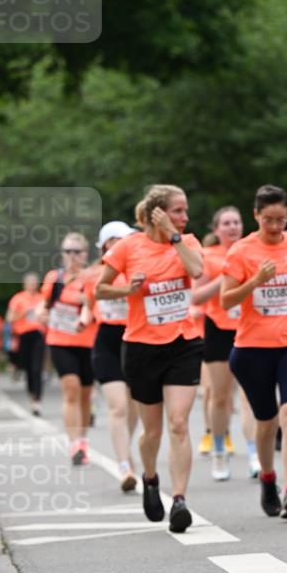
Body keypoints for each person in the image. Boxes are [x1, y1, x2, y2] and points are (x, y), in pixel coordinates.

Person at [96, 185, 204, 532]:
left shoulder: (186, 241)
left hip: (183, 342)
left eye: (185, 212)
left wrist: (175, 236)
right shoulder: (129, 247)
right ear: (157, 213)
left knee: (178, 423)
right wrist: (129, 289)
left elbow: (198, 271)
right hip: (142, 346)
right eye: (178, 211)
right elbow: (101, 288)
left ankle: (181, 500)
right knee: (152, 431)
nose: (185, 218)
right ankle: (151, 477)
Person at [221, 184, 287, 519]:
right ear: (256, 216)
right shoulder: (241, 251)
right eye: (268, 220)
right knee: (266, 421)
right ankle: (268, 477)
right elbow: (226, 300)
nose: (275, 227)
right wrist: (255, 281)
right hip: (252, 348)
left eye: (281, 219)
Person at [191, 207, 259, 481]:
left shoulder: (251, 251)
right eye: (226, 223)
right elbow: (196, 297)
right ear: (216, 229)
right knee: (220, 396)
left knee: (250, 396)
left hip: (251, 327)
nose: (232, 227)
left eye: (236, 222)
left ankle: (255, 452)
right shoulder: (208, 256)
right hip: (218, 329)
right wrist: (224, 279)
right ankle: (219, 450)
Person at [82, 221, 139, 491]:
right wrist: (83, 319)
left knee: (133, 407)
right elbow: (88, 303)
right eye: (114, 240)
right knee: (118, 406)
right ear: (104, 245)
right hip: (106, 341)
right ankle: (124, 465)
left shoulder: (138, 269)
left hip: (136, 340)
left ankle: (126, 451)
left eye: (124, 239)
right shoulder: (96, 274)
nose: (119, 244)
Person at [40, 234, 97, 464]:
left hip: (87, 341)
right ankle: (74, 444)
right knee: (71, 389)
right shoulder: (55, 278)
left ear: (85, 254)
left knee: (85, 394)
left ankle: (83, 438)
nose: (72, 256)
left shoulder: (92, 278)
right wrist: (42, 314)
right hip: (60, 341)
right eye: (68, 251)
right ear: (62, 254)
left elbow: (95, 308)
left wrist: (86, 308)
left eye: (77, 252)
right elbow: (44, 306)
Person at [6, 273, 45, 415]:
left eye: (35, 283)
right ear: (25, 284)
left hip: (38, 335)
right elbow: (9, 318)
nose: (32, 286)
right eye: (30, 283)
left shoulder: (42, 298)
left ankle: (37, 402)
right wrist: (23, 313)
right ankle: (32, 396)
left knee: (37, 369)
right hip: (23, 335)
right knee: (28, 369)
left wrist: (42, 317)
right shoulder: (18, 299)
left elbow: (48, 316)